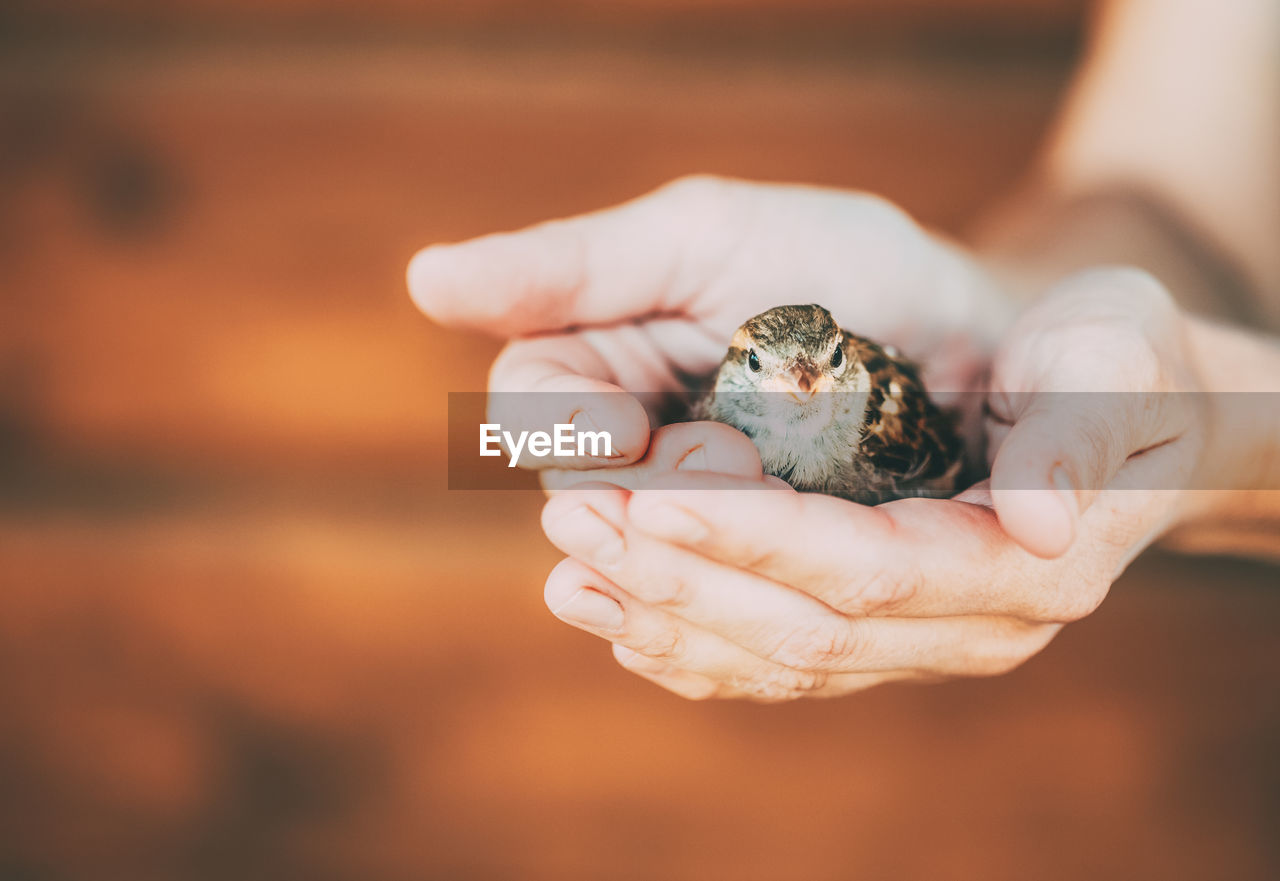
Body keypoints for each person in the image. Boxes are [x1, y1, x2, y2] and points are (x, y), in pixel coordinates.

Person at [406, 0, 1279, 701]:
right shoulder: (707, 406)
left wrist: (1216, 419)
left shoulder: (882, 416)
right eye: (771, 369)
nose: (803, 387)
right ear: (732, 370)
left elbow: (938, 450)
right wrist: (1007, 308)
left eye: (822, 367)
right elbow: (1174, 203)